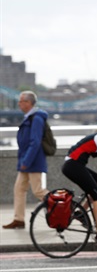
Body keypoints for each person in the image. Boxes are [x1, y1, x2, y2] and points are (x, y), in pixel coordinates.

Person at [3, 91, 49, 229]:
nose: (19, 103)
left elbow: (35, 142)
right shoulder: (29, 117)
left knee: (38, 191)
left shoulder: (36, 119)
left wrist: (26, 161)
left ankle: (62, 204)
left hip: (32, 161)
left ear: (29, 103)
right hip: (26, 160)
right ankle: (19, 219)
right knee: (19, 189)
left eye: (21, 101)